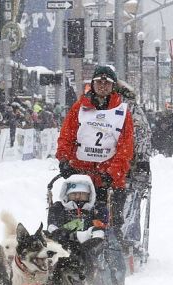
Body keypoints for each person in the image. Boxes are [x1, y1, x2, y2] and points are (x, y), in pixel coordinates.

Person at [56, 65, 135, 226]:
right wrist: (64, 160)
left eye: (107, 83)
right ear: (92, 84)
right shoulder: (79, 107)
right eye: (99, 82)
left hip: (108, 179)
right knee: (71, 217)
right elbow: (66, 136)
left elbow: (125, 147)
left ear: (113, 86)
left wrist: (112, 173)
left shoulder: (122, 111)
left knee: (111, 221)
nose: (102, 86)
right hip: (80, 174)